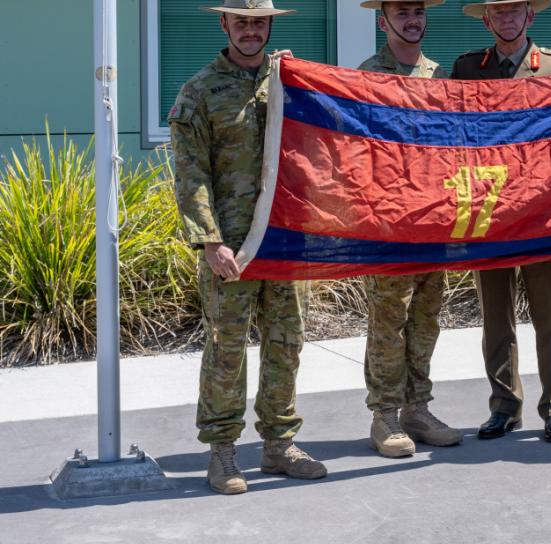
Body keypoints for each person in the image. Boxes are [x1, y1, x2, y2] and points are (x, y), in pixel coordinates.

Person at [169, 0, 326, 494]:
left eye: (259, 22)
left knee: (286, 344)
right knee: (227, 349)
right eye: (242, 22)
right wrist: (210, 241)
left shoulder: (290, 84)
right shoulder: (199, 92)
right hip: (231, 248)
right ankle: (222, 452)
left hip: (283, 242)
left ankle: (279, 444)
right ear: (225, 25)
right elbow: (190, 174)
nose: (252, 30)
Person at [451, 0, 551, 443]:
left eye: (514, 10)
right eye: (497, 13)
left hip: (541, 211)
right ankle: (504, 405)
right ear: (487, 20)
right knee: (496, 318)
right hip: (488, 210)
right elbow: (454, 136)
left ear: (530, 15)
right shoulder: (467, 69)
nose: (506, 18)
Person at [356, 0, 462, 458]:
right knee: (388, 321)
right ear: (383, 21)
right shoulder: (365, 77)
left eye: (417, 11)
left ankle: (417, 408)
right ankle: (384, 415)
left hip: (433, 217)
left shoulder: (441, 79)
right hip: (388, 221)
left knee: (426, 320)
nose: (411, 19)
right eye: (401, 12)